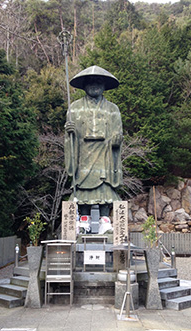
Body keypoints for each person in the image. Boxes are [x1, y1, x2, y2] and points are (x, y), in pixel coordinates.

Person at [64, 65, 123, 221]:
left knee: (105, 188)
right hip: (83, 154)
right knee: (83, 188)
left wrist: (116, 140)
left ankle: (105, 219)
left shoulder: (113, 109)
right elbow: (69, 138)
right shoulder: (74, 108)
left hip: (105, 155)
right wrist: (70, 132)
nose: (94, 85)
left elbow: (118, 132)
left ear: (104, 86)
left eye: (98, 82)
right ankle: (84, 219)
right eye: (90, 82)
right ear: (84, 85)